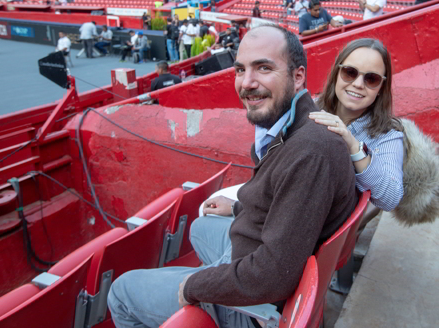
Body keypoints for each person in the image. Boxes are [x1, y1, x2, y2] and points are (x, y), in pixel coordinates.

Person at [107, 24, 358, 328]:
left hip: (256, 304)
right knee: (200, 227)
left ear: (298, 76)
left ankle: (205, 307)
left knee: (120, 291)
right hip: (255, 256)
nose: (247, 83)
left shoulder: (310, 151)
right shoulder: (297, 127)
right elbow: (289, 207)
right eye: (240, 70)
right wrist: (239, 208)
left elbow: (272, 276)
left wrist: (194, 286)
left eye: (263, 68)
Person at [310, 37, 405, 229]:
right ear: (337, 73)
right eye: (350, 72)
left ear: (381, 88)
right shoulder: (311, 108)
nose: (358, 84)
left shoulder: (388, 135)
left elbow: (391, 198)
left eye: (371, 79)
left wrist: (353, 146)